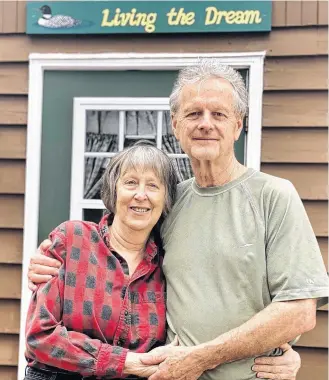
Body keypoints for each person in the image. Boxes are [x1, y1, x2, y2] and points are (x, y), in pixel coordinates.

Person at [27, 59, 328, 380]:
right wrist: (51, 258)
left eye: (219, 114)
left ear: (239, 125)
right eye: (194, 113)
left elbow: (299, 312)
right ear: (175, 124)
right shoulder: (169, 203)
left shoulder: (274, 196)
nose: (205, 124)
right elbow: (118, 249)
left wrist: (202, 358)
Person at [24, 143, 179, 379]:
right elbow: (39, 337)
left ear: (166, 198)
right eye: (130, 182)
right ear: (113, 190)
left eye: (153, 185)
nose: (141, 194)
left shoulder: (169, 263)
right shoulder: (72, 239)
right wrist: (126, 361)